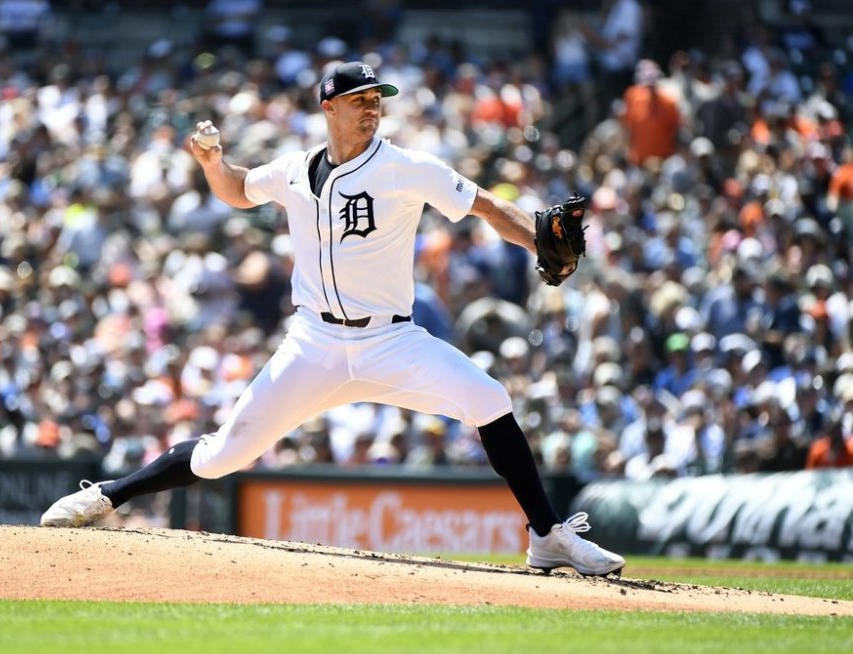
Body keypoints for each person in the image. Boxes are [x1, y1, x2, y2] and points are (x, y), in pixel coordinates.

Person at [40, 61, 625, 577]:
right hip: (312, 343)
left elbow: (486, 207)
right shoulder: (295, 169)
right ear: (329, 107)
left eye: (378, 100)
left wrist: (536, 240)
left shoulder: (404, 166)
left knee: (490, 398)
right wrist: (213, 164)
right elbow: (240, 190)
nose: (373, 109)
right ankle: (108, 497)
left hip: (391, 339)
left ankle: (547, 537)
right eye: (361, 100)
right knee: (222, 457)